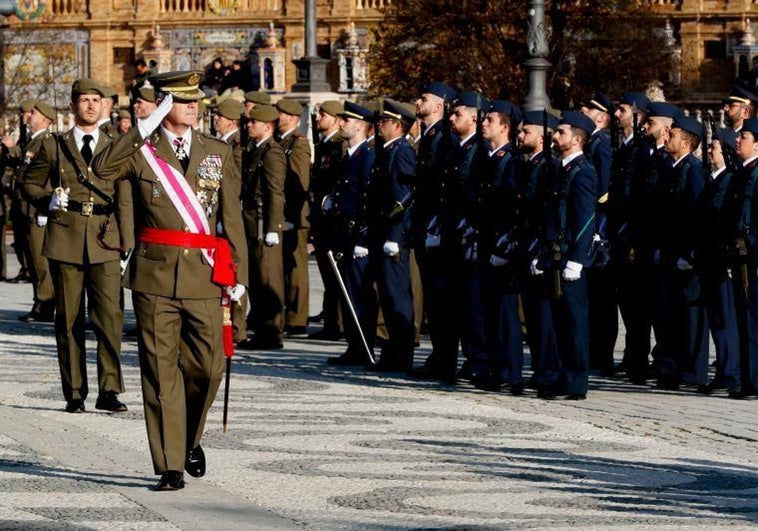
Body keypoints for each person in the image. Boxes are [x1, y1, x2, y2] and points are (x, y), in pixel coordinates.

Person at [91, 70, 248, 491]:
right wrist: (143, 127)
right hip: (154, 277)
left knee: (208, 370)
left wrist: (240, 281)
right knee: (160, 374)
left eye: (197, 99)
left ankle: (188, 438)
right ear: (164, 104)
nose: (194, 106)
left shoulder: (217, 151)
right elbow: (102, 168)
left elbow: (231, 219)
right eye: (183, 100)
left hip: (205, 277)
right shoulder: (142, 150)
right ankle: (170, 464)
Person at [22, 79, 126, 414]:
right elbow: (29, 184)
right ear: (72, 106)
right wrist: (47, 199)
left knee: (109, 318)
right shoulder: (55, 146)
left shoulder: (115, 145)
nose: (91, 106)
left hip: (105, 238)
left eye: (96, 100)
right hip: (66, 238)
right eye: (84, 100)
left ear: (104, 106)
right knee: (68, 320)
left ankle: (109, 389)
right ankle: (75, 391)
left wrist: (127, 240)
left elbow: (126, 196)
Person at [533, 111, 597, 400]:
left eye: (561, 133)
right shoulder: (559, 169)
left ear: (577, 139)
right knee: (558, 320)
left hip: (570, 256)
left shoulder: (583, 171)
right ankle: (561, 375)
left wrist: (578, 259)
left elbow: (585, 218)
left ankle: (575, 381)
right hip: (554, 254)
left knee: (574, 322)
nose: (555, 137)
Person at [408, 82, 457, 383]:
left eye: (423, 98)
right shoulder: (427, 136)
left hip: (437, 226)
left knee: (442, 298)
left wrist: (437, 223)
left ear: (438, 106)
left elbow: (442, 186)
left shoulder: (442, 138)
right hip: (425, 224)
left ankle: (445, 357)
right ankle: (439, 354)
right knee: (433, 298)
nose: (417, 101)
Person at [365, 99, 417, 371]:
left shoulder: (402, 152)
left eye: (384, 122)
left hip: (393, 236)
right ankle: (393, 352)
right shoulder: (387, 152)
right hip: (381, 232)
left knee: (397, 296)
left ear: (398, 126)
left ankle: (402, 354)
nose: (379, 126)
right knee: (387, 294)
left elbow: (405, 198)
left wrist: (395, 236)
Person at [657, 115, 707, 391]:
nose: (667, 138)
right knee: (671, 314)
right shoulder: (672, 168)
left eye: (672, 134)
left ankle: (693, 371)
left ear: (686, 142)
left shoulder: (693, 171)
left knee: (691, 316)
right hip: (668, 252)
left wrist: (690, 254)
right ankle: (673, 366)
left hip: (686, 256)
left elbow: (697, 216)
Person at [476, 100, 524, 394]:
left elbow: (513, 211)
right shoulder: (489, 158)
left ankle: (510, 371)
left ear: (504, 127)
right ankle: (495, 367)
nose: (483, 123)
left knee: (506, 314)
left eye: (490, 120)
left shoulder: (511, 161)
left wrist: (505, 246)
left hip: (503, 249)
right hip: (485, 243)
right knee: (490, 311)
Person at [324, 101, 376, 366]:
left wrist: (365, 238)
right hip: (344, 233)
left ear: (360, 125)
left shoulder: (367, 156)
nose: (341, 123)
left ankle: (363, 345)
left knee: (360, 293)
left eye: (346, 120)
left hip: (358, 236)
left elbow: (369, 200)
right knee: (349, 293)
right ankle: (354, 346)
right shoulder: (350, 156)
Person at [239, 104, 286, 350]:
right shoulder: (256, 149)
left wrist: (272, 228)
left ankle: (272, 333)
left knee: (268, 279)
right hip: (251, 223)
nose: (248, 126)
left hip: (261, 224)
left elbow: (274, 192)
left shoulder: (272, 152)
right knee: (257, 279)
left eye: (253, 123)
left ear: (267, 126)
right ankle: (262, 330)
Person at [700, 128, 742, 398]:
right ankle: (725, 370)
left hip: (722, 259)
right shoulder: (713, 180)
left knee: (727, 319)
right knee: (717, 319)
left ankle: (731, 372)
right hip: (708, 258)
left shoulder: (729, 181)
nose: (709, 152)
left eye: (714, 147)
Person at [580, 91, 615, 375]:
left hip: (599, 225)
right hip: (593, 222)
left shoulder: (602, 143)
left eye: (588, 109)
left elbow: (603, 191)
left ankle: (602, 355)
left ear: (601, 118)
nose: (582, 111)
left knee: (601, 298)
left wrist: (595, 229)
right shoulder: (594, 141)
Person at [16, 101, 56, 323]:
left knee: (41, 261)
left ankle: (45, 305)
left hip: (36, 209)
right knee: (32, 259)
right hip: (25, 207)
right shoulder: (33, 140)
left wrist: (45, 208)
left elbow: (48, 178)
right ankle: (39, 303)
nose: (29, 116)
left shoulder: (45, 142)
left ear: (44, 119)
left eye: (33, 113)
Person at [308, 100, 345, 341]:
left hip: (334, 219)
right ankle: (332, 322)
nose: (318, 117)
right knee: (326, 273)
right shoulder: (324, 145)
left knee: (335, 274)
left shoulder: (337, 146)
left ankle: (338, 323)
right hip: (322, 218)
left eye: (323, 114)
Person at [275, 99, 311, 337]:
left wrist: (294, 217)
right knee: (285, 268)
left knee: (296, 270)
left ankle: (298, 318)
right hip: (284, 215)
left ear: (292, 117)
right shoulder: (282, 142)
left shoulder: (298, 144)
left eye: (280, 113)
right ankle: (288, 314)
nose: (277, 117)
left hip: (295, 216)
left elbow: (299, 184)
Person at [214, 98, 247, 343]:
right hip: (222, 212)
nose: (216, 119)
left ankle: (237, 326)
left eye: (220, 116)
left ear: (232, 121)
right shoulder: (223, 143)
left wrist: (225, 215)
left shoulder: (236, 146)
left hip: (231, 213)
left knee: (235, 267)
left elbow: (233, 185)